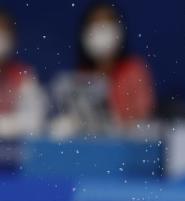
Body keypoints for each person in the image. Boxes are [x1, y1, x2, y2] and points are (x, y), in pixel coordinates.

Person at [50, 2, 154, 137]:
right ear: (84, 32)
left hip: (125, 150)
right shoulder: (80, 76)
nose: (102, 29)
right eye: (95, 23)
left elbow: (143, 118)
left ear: (120, 29)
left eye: (108, 22)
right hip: (92, 148)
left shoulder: (134, 71)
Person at [0, 9, 46, 138]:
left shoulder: (24, 76)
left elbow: (35, 120)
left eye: (3, 31)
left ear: (13, 38)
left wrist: (5, 125)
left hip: (13, 152)